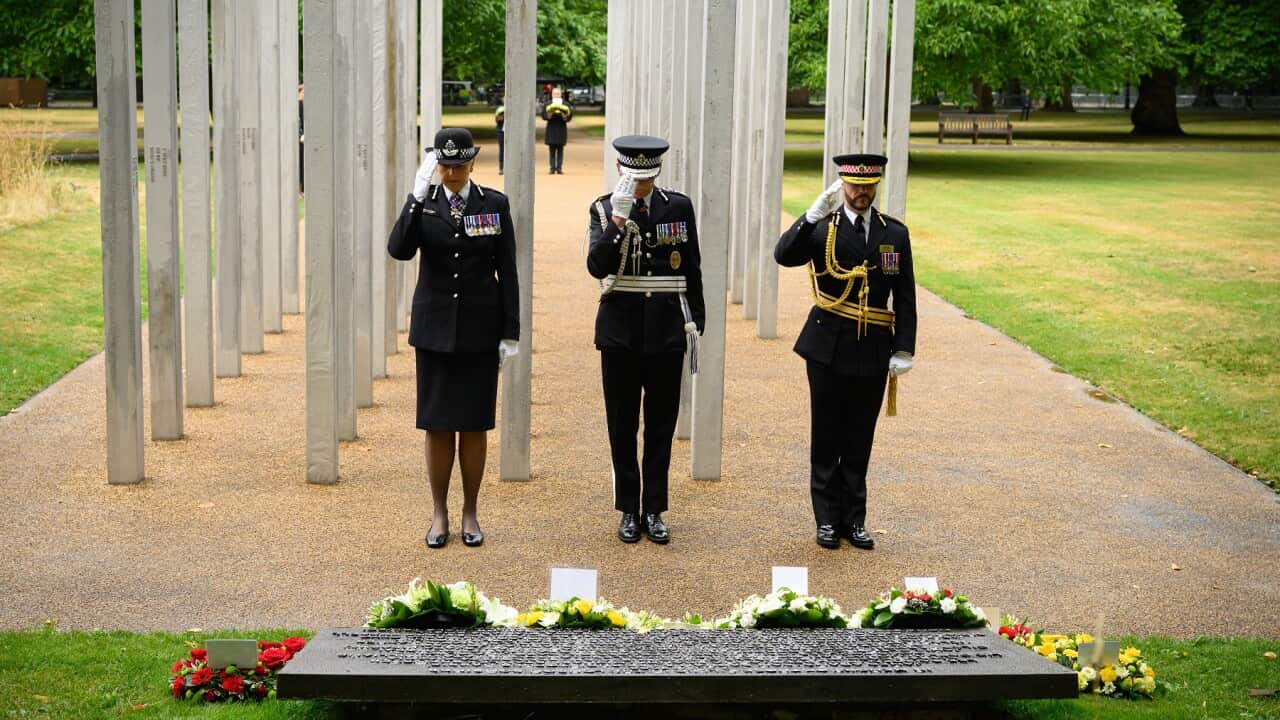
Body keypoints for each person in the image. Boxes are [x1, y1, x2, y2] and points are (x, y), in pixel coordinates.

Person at [773, 154, 917, 551]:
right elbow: (784, 255)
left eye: (869, 186)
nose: (861, 194)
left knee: (859, 438)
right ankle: (825, 520)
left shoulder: (894, 234)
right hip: (828, 346)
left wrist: (904, 348)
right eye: (854, 186)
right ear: (842, 185)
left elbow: (905, 297)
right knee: (827, 435)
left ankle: (854, 520)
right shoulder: (823, 227)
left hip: (872, 346)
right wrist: (809, 216)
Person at [387, 127, 521, 549]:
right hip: (435, 329)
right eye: (444, 166)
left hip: (481, 329)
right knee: (439, 426)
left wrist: (510, 332)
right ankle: (439, 511)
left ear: (471, 164)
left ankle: (471, 511)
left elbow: (509, 273)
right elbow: (399, 250)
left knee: (475, 426)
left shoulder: (494, 204)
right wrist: (415, 194)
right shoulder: (424, 205)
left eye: (458, 166)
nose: (451, 173)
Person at [586, 135, 705, 544]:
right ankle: (627, 509)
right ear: (621, 170)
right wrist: (618, 221)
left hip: (667, 330)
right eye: (633, 178)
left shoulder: (679, 206)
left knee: (660, 425)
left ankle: (654, 508)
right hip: (619, 333)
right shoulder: (603, 209)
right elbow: (596, 266)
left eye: (646, 179)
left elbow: (692, 267)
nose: (639, 186)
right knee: (621, 426)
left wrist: (696, 323)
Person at [541, 90, 573, 174]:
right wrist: (549, 115)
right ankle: (552, 168)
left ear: (561, 94)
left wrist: (565, 116)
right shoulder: (548, 104)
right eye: (555, 94)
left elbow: (569, 117)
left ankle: (559, 168)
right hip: (551, 128)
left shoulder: (566, 104)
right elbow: (543, 116)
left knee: (560, 150)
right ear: (552, 94)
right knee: (551, 150)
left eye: (558, 94)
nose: (556, 95)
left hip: (561, 128)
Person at [494, 102, 505, 175]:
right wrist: (502, 117)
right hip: (501, 132)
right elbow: (497, 120)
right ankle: (501, 168)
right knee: (502, 150)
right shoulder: (500, 109)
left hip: (510, 132)